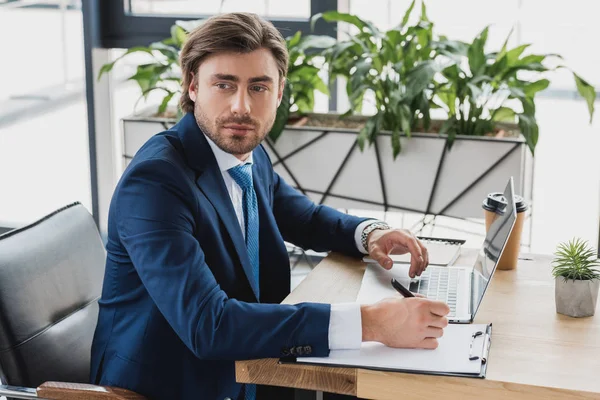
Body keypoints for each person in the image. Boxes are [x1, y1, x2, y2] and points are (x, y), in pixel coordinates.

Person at [90, 12, 449, 400]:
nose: (241, 106)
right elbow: (207, 326)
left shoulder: (244, 152)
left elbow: (303, 216)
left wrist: (369, 234)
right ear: (193, 87)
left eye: (258, 87)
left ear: (278, 93)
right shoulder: (156, 182)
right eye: (224, 85)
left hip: (252, 370)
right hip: (172, 387)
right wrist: (371, 323)